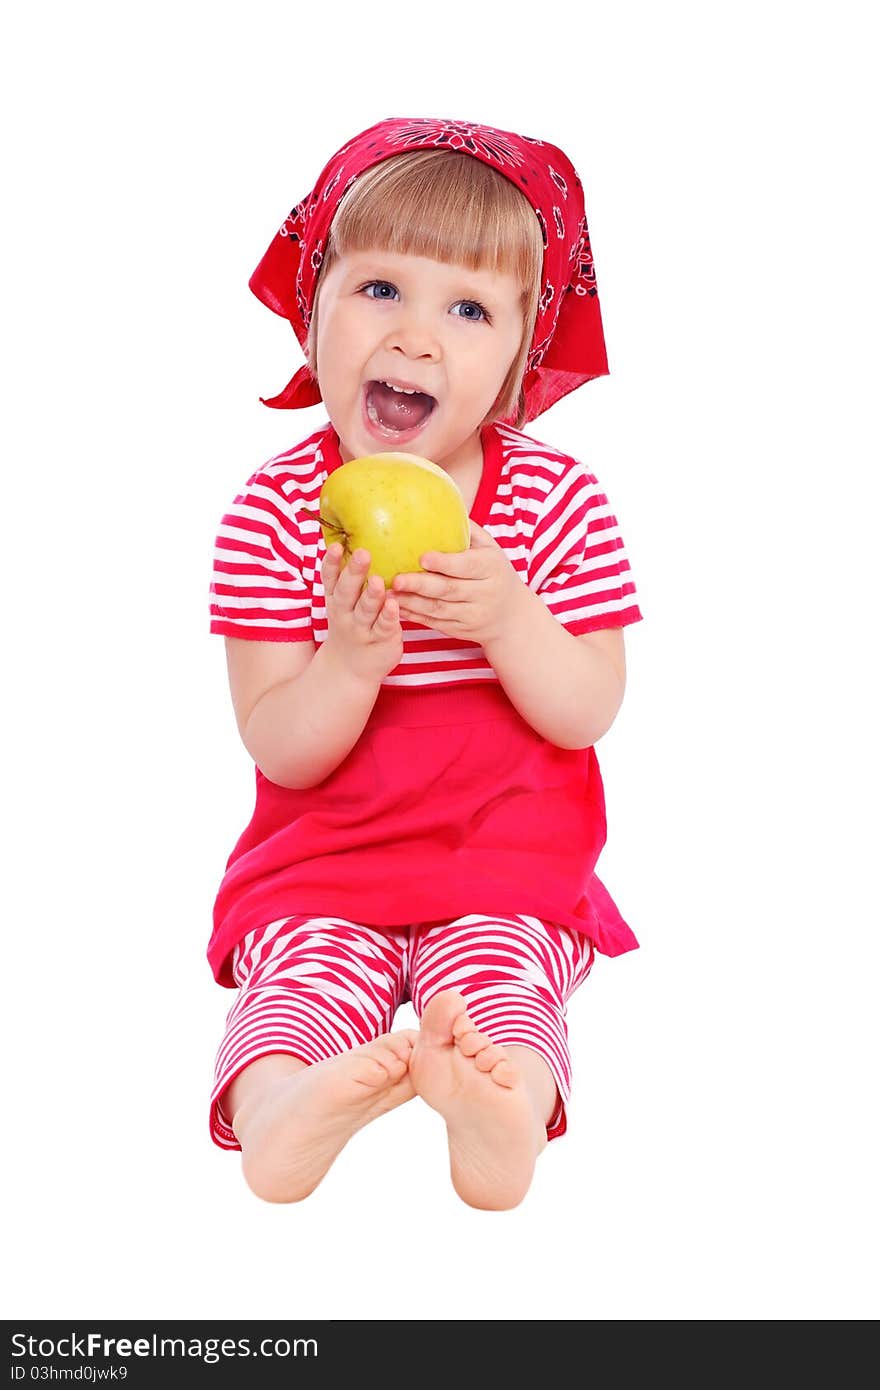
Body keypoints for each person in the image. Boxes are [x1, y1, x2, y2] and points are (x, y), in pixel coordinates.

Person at [207, 115, 643, 1210]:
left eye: (467, 309)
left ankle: (501, 1118)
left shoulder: (554, 504)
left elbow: (586, 708)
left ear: (518, 355)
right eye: (379, 290)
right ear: (313, 305)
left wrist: (506, 618)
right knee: (296, 981)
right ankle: (279, 1114)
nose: (415, 339)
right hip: (327, 860)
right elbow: (281, 749)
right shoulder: (273, 512)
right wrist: (348, 662)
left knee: (501, 984)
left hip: (502, 852)